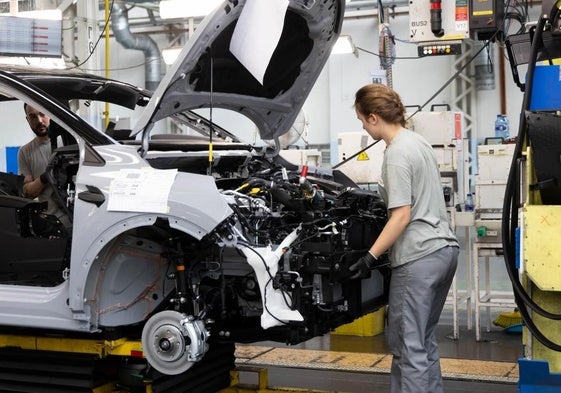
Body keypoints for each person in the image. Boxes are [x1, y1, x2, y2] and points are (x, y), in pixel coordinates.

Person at [349, 84, 459, 393]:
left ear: (373, 118)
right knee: (423, 340)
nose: (361, 126)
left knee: (407, 346)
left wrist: (370, 256)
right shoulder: (418, 142)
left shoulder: (396, 153)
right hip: (445, 251)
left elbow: (400, 217)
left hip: (418, 258)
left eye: (360, 119)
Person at [18, 103, 71, 229]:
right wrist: (45, 177)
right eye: (33, 117)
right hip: (51, 224)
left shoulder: (70, 143)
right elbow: (27, 192)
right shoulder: (25, 152)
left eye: (42, 114)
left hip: (76, 219)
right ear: (27, 119)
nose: (39, 120)